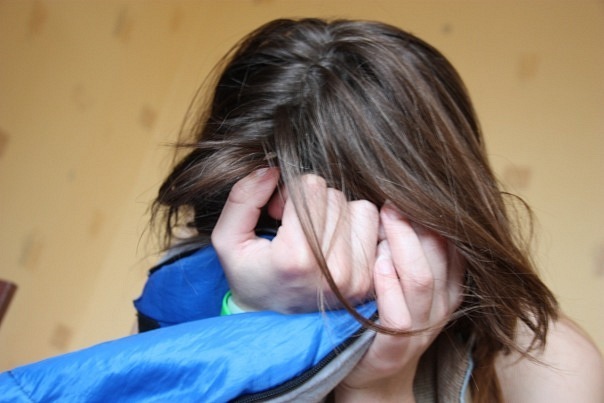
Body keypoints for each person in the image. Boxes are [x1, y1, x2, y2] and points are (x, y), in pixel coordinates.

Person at [0, 18, 602, 403]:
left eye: (350, 222)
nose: (297, 256)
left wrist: (380, 388)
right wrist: (246, 325)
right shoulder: (202, 277)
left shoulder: (544, 364)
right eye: (270, 226)